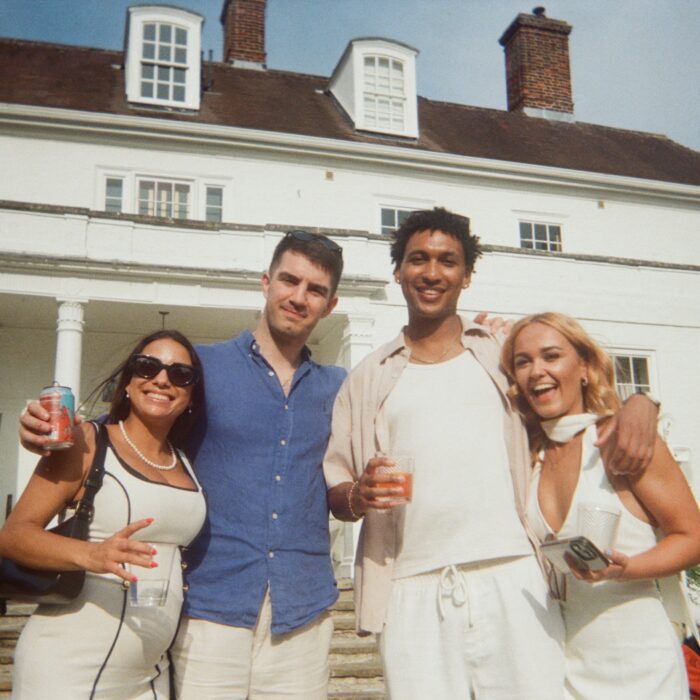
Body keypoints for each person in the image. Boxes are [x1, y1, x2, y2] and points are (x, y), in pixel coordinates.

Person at [323, 207, 660, 699]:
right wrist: (359, 494)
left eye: (447, 261)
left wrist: (642, 401)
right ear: (398, 271)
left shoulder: (503, 353)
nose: (432, 272)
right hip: (412, 588)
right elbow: (337, 493)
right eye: (418, 259)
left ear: (467, 275)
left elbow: (576, 389)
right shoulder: (368, 377)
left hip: (515, 577)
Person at [20, 230, 345, 699]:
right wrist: (40, 428)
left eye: (315, 290)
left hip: (302, 612)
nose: (298, 297)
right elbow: (121, 430)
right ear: (265, 282)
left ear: (330, 305)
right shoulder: (201, 370)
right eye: (289, 281)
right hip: (211, 606)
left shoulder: (339, 387)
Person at [501, 311, 700, 700]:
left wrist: (628, 569)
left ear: (585, 368)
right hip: (562, 661)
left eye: (551, 356)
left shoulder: (620, 443)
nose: (536, 371)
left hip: (638, 663)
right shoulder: (528, 457)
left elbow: (692, 536)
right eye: (523, 362)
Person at [2, 329, 207, 699]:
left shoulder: (186, 461)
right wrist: (91, 554)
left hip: (150, 673)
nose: (162, 379)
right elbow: (14, 535)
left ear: (191, 395)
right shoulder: (86, 441)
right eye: (147, 367)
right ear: (128, 383)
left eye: (181, 374)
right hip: (68, 669)